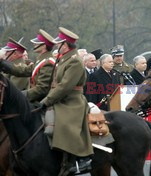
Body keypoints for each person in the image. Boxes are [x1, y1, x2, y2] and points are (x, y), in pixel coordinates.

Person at [40, 27, 93, 174]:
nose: (57, 46)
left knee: (64, 123)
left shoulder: (75, 61)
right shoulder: (64, 58)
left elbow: (64, 87)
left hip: (72, 101)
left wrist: (46, 101)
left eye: (59, 44)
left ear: (66, 45)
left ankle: (79, 159)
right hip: (61, 98)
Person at [0, 29, 55, 102]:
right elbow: (24, 70)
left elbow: (42, 88)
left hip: (41, 100)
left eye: (37, 43)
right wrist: (3, 63)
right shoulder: (41, 59)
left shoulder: (48, 62)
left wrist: (21, 95)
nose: (34, 44)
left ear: (44, 46)